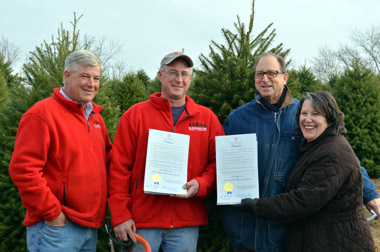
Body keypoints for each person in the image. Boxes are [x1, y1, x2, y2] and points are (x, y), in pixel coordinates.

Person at [222, 52, 380, 252]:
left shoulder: (303, 114)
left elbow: (343, 157)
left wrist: (369, 193)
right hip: (246, 225)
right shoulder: (238, 118)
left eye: (272, 73)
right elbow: (220, 159)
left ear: (285, 77)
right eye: (259, 74)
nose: (265, 79)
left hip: (287, 223)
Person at [107, 51, 225, 252]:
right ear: (160, 75)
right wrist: (120, 215)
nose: (179, 79)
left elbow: (219, 163)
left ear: (190, 78)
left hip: (186, 222)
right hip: (142, 222)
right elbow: (118, 169)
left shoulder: (207, 118)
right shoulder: (135, 116)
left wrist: (201, 184)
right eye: (172, 72)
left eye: (184, 74)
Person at [239, 91, 375, 251]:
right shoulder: (316, 145)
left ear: (329, 120)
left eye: (315, 114)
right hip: (323, 238)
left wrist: (255, 205)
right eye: (304, 113)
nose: (307, 119)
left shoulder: (331, 153)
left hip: (337, 242)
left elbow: (302, 201)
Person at [9, 50, 112, 251]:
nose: (91, 84)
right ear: (67, 76)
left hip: (89, 227)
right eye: (84, 76)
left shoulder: (95, 118)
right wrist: (54, 214)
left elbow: (109, 162)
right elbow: (23, 170)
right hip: (57, 229)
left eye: (96, 78)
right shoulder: (42, 115)